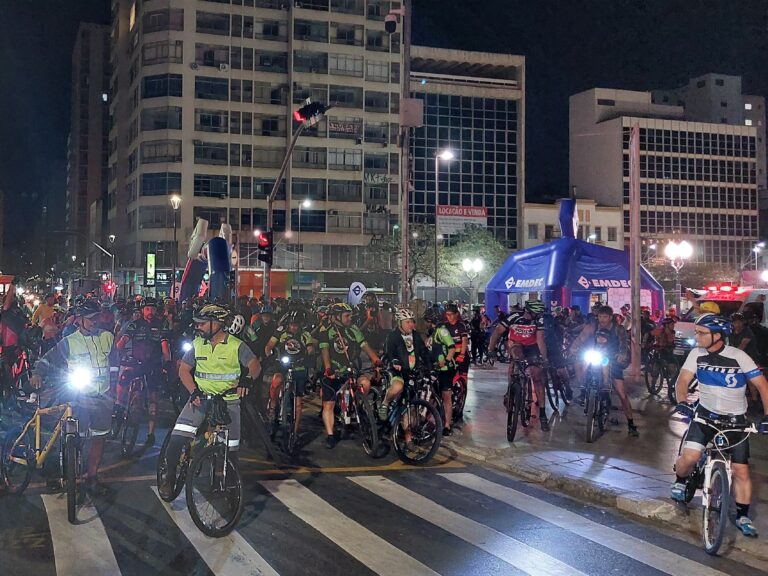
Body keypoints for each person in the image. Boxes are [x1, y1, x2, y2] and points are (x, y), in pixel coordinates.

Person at [671, 314, 768, 536]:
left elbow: (763, 386)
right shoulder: (696, 354)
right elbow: (682, 380)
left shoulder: (738, 356)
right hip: (705, 417)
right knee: (690, 458)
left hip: (735, 421)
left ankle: (743, 515)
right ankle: (680, 480)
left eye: (701, 333)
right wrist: (682, 401)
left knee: (741, 470)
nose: (697, 337)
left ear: (717, 336)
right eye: (696, 332)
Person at [159, 304, 260, 500]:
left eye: (202, 323)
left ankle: (229, 485)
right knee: (177, 438)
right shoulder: (198, 343)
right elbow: (183, 370)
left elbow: (254, 364)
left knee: (231, 450)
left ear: (217, 323)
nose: (198, 327)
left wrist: (248, 379)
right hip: (201, 399)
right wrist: (193, 391)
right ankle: (169, 478)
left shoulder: (236, 345)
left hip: (228, 403)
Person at [30, 300, 115, 495]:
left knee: (99, 438)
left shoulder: (107, 337)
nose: (94, 321)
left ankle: (92, 478)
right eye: (90, 318)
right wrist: (37, 373)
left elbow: (117, 360)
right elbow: (47, 359)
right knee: (74, 438)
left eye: (96, 317)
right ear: (79, 320)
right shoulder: (69, 342)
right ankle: (66, 473)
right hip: (79, 397)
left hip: (103, 397)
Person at [319, 303, 381, 448]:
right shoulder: (326, 331)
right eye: (347, 316)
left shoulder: (353, 330)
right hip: (334, 371)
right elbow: (325, 351)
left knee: (365, 383)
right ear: (337, 317)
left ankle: (357, 405)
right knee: (328, 404)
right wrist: (328, 369)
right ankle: (330, 435)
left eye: (350, 315)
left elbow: (365, 346)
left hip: (351, 369)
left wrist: (376, 361)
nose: (350, 318)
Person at [570, 305, 639, 437]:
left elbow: (624, 343)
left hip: (613, 360)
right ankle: (583, 390)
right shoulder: (592, 326)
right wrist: (574, 347)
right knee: (580, 363)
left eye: (605, 317)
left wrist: (622, 354)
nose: (602, 319)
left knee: (622, 393)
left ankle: (631, 424)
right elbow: (581, 337)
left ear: (610, 317)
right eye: (600, 316)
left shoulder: (618, 329)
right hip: (596, 356)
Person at [114, 296, 171, 447]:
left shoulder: (161, 325)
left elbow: (165, 347)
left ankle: (150, 434)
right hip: (136, 363)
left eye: (152, 309)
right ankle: (119, 405)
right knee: (123, 379)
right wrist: (118, 353)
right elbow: (122, 342)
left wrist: (167, 363)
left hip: (153, 365)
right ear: (142, 310)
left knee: (153, 399)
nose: (150, 312)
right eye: (147, 309)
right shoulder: (135, 324)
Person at [489, 300, 551, 431]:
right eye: (537, 313)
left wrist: (544, 359)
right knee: (516, 360)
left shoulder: (539, 320)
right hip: (516, 344)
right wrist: (491, 349)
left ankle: (543, 414)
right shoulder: (514, 317)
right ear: (530, 311)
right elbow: (498, 331)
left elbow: (540, 340)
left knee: (537, 377)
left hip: (532, 347)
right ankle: (511, 388)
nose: (540, 315)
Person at [264, 310, 315, 437]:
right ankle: (273, 406)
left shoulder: (305, 335)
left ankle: (295, 431)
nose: (293, 327)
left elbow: (310, 348)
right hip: (283, 365)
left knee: (298, 402)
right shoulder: (281, 332)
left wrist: (308, 354)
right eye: (292, 324)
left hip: (299, 367)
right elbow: (269, 345)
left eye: (296, 325)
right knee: (277, 380)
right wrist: (270, 356)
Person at [379, 308, 431, 421]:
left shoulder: (416, 336)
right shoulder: (392, 336)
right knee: (398, 386)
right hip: (397, 370)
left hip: (412, 372)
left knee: (410, 403)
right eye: (407, 322)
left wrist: (430, 366)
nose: (411, 324)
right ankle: (385, 403)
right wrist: (394, 361)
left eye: (412, 321)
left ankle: (406, 430)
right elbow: (389, 352)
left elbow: (424, 352)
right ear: (399, 323)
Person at [440, 303, 469, 421]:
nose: (449, 317)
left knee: (463, 379)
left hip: (461, 355)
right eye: (447, 315)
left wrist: (462, 354)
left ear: (456, 314)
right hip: (449, 356)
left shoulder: (461, 326)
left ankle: (462, 398)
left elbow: (465, 341)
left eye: (451, 314)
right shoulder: (444, 326)